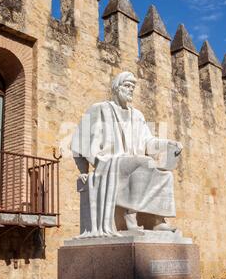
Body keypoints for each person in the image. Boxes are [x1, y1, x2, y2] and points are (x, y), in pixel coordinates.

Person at [71, 72, 183, 238]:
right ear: (117, 87)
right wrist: (83, 172)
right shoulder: (101, 109)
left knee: (165, 174)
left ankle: (158, 221)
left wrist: (168, 144)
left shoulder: (137, 115)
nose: (131, 90)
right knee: (143, 163)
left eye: (133, 87)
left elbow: (148, 142)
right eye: (127, 86)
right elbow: (80, 141)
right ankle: (130, 218)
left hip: (133, 161)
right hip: (110, 162)